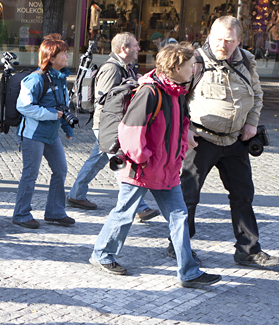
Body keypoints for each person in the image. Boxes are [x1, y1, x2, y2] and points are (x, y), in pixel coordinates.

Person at [89, 43, 223, 289]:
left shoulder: (176, 92)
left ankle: (189, 272)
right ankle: (101, 254)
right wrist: (143, 159)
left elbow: (180, 127)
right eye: (189, 65)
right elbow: (130, 131)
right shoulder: (149, 92)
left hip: (166, 170)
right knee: (124, 214)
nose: (193, 69)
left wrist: (181, 149)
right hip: (143, 169)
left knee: (179, 217)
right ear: (175, 67)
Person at [175, 16, 279, 268]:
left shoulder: (246, 60)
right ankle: (179, 245)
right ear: (210, 36)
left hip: (235, 141)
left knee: (243, 194)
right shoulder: (195, 61)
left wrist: (252, 123)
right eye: (220, 39)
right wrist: (185, 129)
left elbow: (256, 94)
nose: (223, 45)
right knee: (188, 195)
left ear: (238, 41)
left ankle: (248, 249)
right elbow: (176, 97)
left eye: (230, 41)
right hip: (201, 140)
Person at [67, 33, 159, 222]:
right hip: (108, 125)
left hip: (110, 124)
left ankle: (76, 194)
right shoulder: (111, 69)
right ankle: (139, 207)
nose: (138, 49)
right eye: (135, 46)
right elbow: (106, 99)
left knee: (97, 160)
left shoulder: (124, 68)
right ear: (123, 49)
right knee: (122, 165)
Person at [11, 34, 75, 229]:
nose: (67, 56)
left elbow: (61, 106)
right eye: (63, 54)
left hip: (51, 135)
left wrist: (66, 127)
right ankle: (21, 214)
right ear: (51, 58)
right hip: (33, 135)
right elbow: (23, 106)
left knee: (60, 170)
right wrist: (50, 114)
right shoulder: (36, 79)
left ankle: (55, 212)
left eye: (66, 52)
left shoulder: (61, 78)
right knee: (31, 173)